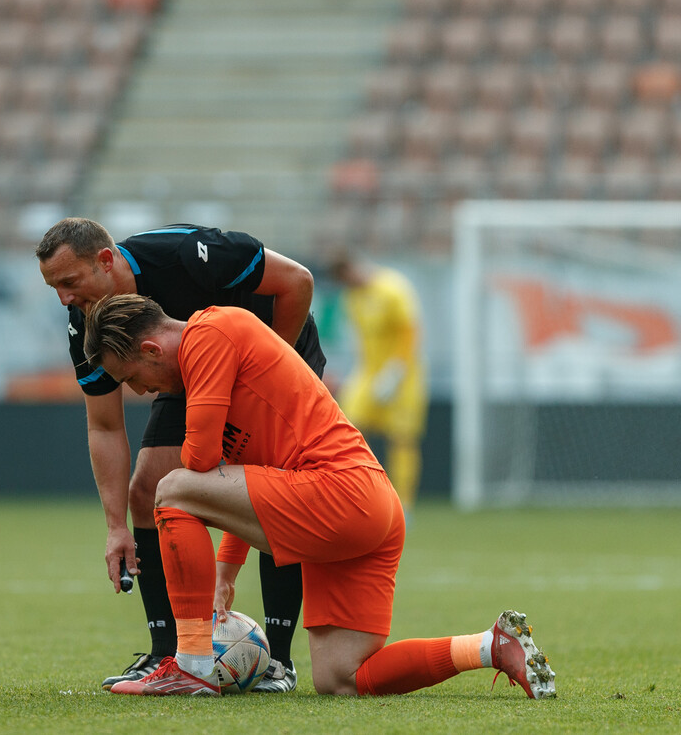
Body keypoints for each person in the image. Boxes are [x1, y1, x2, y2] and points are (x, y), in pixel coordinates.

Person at [82, 295, 556, 699]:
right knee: (343, 678)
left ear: (150, 347)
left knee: (170, 488)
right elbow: (248, 481)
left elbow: (201, 462)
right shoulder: (218, 361)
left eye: (131, 377)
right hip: (368, 506)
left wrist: (216, 573)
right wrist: (226, 570)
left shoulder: (211, 331)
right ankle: (491, 646)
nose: (140, 391)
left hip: (339, 493)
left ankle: (191, 665)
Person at [36, 218, 326, 692]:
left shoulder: (186, 254)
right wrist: (115, 528)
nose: (65, 299)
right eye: (55, 288)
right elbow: (105, 425)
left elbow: (297, 282)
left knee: (277, 481)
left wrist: (273, 370)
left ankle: (280, 660)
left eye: (70, 283)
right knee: (149, 488)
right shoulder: (86, 322)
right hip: (182, 370)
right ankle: (167, 653)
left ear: (105, 261)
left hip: (274, 353)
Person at [329, 252, 428, 513]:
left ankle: (404, 505)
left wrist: (396, 371)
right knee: (349, 432)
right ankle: (362, 496)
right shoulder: (352, 297)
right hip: (369, 374)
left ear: (353, 267)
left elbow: (411, 331)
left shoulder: (393, 288)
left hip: (403, 376)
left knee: (403, 439)